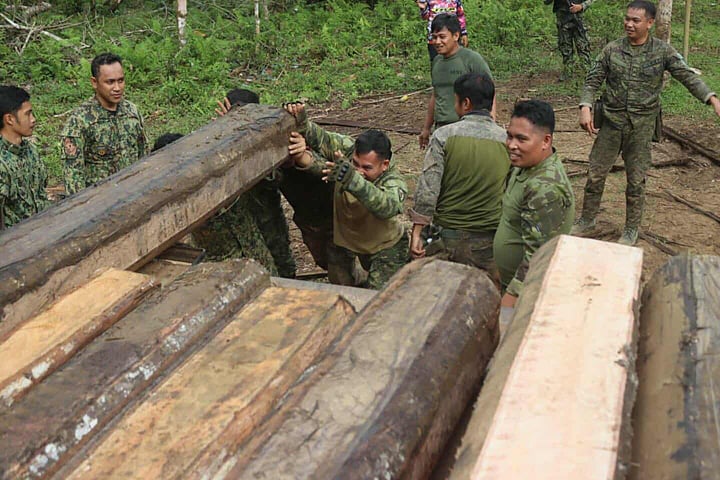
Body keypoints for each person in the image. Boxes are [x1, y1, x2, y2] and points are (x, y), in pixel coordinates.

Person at [573, 0, 720, 245]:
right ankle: (587, 219)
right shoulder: (612, 49)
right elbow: (593, 80)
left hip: (641, 127)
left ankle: (631, 228)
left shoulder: (662, 51)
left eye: (635, 20)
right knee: (596, 173)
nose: (629, 24)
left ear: (650, 23)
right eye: (627, 19)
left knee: (636, 180)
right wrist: (585, 106)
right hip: (611, 123)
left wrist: (711, 98)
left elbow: (687, 77)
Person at [290, 110, 408, 289]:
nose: (359, 171)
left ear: (384, 165)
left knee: (378, 297)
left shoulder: (394, 181)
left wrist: (353, 180)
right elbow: (323, 140)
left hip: (384, 246)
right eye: (355, 164)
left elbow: (386, 207)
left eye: (367, 168)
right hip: (347, 240)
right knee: (339, 286)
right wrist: (303, 123)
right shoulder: (347, 149)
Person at [409, 72, 509, 281]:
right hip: (490, 242)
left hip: (449, 239)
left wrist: (418, 230)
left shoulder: (444, 136)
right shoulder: (507, 141)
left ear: (465, 103)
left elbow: (429, 188)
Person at [493, 99, 574, 307]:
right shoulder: (524, 166)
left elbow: (537, 256)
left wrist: (510, 299)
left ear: (546, 141)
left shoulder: (545, 188)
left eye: (521, 139)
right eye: (509, 136)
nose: (511, 145)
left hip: (529, 294)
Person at [210, 88, 297, 278]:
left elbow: (277, 177)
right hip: (242, 221)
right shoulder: (216, 141)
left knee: (283, 261)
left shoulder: (266, 137)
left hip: (267, 213)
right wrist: (226, 133)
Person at [61, 53, 148, 195]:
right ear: (94, 82)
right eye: (110, 82)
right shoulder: (80, 121)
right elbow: (73, 175)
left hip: (134, 193)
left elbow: (143, 155)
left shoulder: (132, 112)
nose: (117, 88)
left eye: (121, 81)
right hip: (100, 200)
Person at [419, 13, 494, 149]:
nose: (437, 42)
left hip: (466, 128)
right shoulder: (436, 62)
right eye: (434, 37)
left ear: (456, 36)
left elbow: (490, 92)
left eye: (442, 37)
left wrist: (490, 124)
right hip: (441, 128)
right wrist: (426, 128)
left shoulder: (471, 59)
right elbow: (436, 95)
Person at [0, 85, 49, 229]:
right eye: (28, 114)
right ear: (9, 119)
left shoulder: (30, 150)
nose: (33, 120)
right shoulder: (2, 163)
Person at [546, 0, 595, 80]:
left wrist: (581, 6)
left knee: (583, 47)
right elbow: (546, 2)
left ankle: (587, 71)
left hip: (578, 19)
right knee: (565, 47)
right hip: (563, 20)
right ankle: (568, 71)